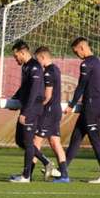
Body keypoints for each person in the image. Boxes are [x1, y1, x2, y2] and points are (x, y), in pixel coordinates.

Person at [64, 37, 100, 183]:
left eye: (76, 51)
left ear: (82, 48)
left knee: (96, 141)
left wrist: (71, 105)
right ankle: (62, 170)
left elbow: (81, 86)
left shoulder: (86, 64)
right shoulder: (99, 63)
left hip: (90, 107)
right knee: (75, 139)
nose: (76, 55)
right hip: (92, 106)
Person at [32, 46, 69, 183]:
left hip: (48, 111)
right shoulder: (56, 69)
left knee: (36, 141)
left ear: (42, 57)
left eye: (37, 60)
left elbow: (47, 96)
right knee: (55, 142)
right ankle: (64, 175)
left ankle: (27, 173)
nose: (37, 63)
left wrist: (35, 107)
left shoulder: (48, 72)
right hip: (56, 110)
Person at [9, 41, 44, 183]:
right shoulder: (26, 67)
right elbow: (24, 88)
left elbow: (34, 92)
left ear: (22, 52)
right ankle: (46, 162)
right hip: (26, 108)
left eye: (15, 56)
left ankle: (26, 176)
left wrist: (26, 112)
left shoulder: (35, 67)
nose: (15, 59)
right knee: (20, 140)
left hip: (32, 109)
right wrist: (14, 98)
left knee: (28, 142)